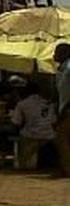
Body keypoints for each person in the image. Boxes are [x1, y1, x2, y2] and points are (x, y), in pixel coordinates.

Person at [12, 81, 57, 170]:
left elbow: (16, 122)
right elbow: (53, 121)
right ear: (39, 92)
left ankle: (24, 163)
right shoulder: (48, 104)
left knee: (22, 135)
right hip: (49, 135)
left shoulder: (22, 104)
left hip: (31, 135)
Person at [53, 43, 70, 177]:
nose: (54, 55)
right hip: (64, 108)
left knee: (62, 139)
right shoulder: (62, 69)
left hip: (68, 109)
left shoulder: (69, 68)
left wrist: (65, 109)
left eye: (57, 52)